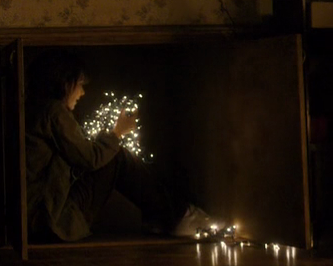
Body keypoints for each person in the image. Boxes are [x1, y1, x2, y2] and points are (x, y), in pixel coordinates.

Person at [24, 49, 215, 243]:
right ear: (65, 83)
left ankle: (162, 216)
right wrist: (117, 133)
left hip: (40, 214)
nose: (82, 93)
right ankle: (179, 216)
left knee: (114, 153)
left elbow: (76, 157)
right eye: (80, 84)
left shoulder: (35, 108)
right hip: (50, 219)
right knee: (118, 157)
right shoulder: (54, 112)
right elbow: (90, 159)